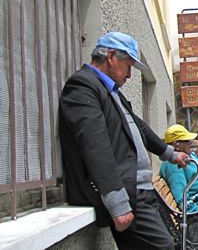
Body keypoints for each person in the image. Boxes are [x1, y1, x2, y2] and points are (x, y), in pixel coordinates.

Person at [58, 32, 189, 250]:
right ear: (111, 57)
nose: (129, 75)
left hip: (140, 193)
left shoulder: (111, 92)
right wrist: (117, 203)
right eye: (128, 66)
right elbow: (95, 146)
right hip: (128, 194)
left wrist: (170, 154)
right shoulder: (82, 86)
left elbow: (140, 128)